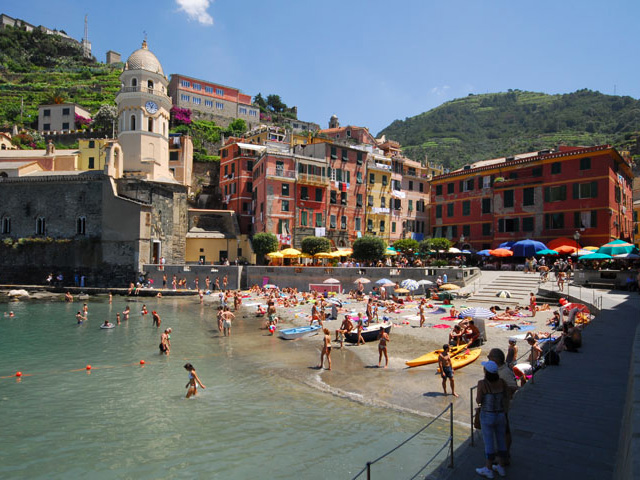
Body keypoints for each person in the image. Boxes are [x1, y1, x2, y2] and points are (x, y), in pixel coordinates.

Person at [475, 360, 508, 478]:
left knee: (489, 442)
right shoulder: (502, 382)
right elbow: (506, 396)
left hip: (488, 414)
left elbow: (478, 400)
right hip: (500, 414)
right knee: (501, 440)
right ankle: (501, 466)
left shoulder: (482, 383)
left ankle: (488, 468)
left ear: (486, 372)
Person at [487, 348, 518, 465]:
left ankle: (504, 456)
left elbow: (514, 387)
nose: (488, 359)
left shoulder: (504, 372)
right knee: (500, 431)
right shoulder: (498, 370)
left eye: (489, 357)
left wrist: (500, 391)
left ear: (495, 359)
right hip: (496, 406)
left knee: (504, 431)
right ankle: (502, 453)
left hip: (501, 406)